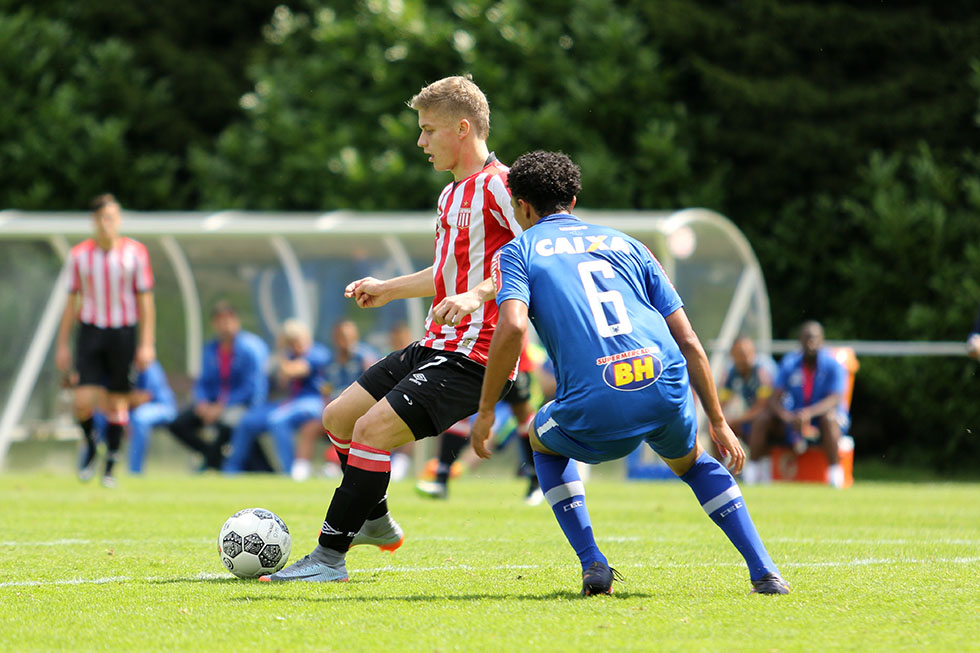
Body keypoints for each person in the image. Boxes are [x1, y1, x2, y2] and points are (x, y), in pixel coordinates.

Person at [470, 151, 788, 596]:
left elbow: (513, 327)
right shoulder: (629, 244)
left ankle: (592, 562)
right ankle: (765, 572)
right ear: (574, 199)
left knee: (541, 442)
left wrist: (486, 409)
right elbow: (689, 339)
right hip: (663, 382)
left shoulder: (517, 252)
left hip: (598, 396)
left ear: (521, 204)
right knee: (693, 462)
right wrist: (717, 421)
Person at [263, 75, 521, 583]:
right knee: (338, 418)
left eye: (428, 131)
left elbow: (536, 258)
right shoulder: (451, 195)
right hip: (434, 345)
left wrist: (479, 295)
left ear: (462, 129)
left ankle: (329, 558)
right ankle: (376, 520)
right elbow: (446, 274)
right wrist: (387, 288)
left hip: (476, 354)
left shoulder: (502, 185)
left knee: (370, 431)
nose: (420, 142)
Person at [55, 193, 156, 487]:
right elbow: (70, 301)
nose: (105, 223)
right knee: (83, 400)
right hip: (90, 329)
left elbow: (146, 301)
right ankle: (90, 444)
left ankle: (111, 462)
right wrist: (62, 344)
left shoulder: (136, 253)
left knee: (117, 402)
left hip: (123, 331)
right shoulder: (79, 256)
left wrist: (147, 343)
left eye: (110, 217)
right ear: (93, 221)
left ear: (119, 220)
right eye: (100, 218)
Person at [415, 335, 542, 504]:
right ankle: (441, 479)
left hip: (511, 352)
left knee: (522, 415)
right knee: (458, 410)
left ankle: (536, 481)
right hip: (477, 351)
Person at [167, 301, 270, 471]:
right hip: (213, 406)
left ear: (237, 322)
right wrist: (202, 402)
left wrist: (221, 407)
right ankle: (214, 458)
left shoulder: (250, 349)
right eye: (221, 321)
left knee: (227, 424)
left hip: (243, 406)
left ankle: (211, 466)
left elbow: (251, 388)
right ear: (214, 324)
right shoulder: (210, 349)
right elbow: (203, 382)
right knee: (177, 425)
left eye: (229, 320)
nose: (225, 326)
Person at [745, 320, 849, 488]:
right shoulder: (790, 363)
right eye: (807, 338)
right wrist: (787, 417)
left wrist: (809, 414)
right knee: (763, 418)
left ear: (822, 340)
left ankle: (835, 473)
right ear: (799, 340)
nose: (811, 343)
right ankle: (751, 472)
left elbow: (834, 399)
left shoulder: (833, 365)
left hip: (824, 420)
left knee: (829, 419)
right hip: (794, 420)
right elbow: (774, 398)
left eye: (814, 338)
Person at [223, 319, 330, 474]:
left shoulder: (318, 353)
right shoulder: (290, 355)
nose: (295, 346)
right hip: (291, 401)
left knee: (278, 421)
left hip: (313, 402)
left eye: (296, 341)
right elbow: (283, 382)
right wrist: (285, 354)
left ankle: (290, 472)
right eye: (291, 342)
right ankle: (231, 469)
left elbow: (293, 371)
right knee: (246, 421)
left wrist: (281, 350)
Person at [290, 319, 380, 481]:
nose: (343, 341)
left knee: (348, 427)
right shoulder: (330, 362)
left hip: (360, 414)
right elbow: (326, 389)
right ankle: (300, 470)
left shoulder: (364, 359)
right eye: (339, 337)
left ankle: (335, 465)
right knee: (309, 429)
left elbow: (375, 391)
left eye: (346, 337)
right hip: (335, 413)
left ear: (355, 337)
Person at [718, 337, 777, 442]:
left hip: (776, 417)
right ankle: (719, 458)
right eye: (738, 355)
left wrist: (735, 420)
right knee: (719, 427)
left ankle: (755, 459)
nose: (742, 359)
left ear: (753, 352)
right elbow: (721, 403)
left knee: (760, 420)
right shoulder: (732, 372)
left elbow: (762, 407)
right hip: (752, 417)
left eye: (744, 354)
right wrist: (718, 422)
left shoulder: (762, 371)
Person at [124, 360, 178, 474]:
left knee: (139, 418)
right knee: (100, 418)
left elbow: (145, 396)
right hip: (134, 410)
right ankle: (86, 469)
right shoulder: (121, 364)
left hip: (162, 407)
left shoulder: (148, 364)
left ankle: (135, 472)